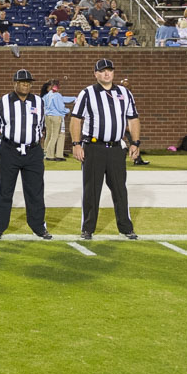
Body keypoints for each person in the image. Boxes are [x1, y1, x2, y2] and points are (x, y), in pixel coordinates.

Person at [69, 58, 140, 240]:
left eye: (109, 70)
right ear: (96, 74)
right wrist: (76, 144)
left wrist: (135, 142)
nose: (107, 73)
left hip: (116, 148)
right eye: (102, 71)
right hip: (94, 147)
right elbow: (76, 119)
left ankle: (126, 227)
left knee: (119, 189)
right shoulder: (87, 93)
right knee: (92, 189)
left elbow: (133, 119)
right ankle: (88, 228)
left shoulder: (124, 93)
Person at [0, 69, 51, 239]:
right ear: (14, 83)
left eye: (28, 82)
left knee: (35, 190)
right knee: (3, 189)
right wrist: (11, 141)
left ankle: (38, 226)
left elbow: (41, 126)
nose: (26, 85)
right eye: (22, 82)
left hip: (33, 151)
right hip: (10, 150)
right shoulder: (2, 102)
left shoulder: (39, 102)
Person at [41, 79, 74, 161]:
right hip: (56, 116)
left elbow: (61, 99)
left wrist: (73, 98)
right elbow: (60, 107)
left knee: (49, 134)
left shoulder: (47, 95)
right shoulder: (57, 95)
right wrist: (67, 111)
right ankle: (50, 155)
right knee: (55, 135)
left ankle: (46, 151)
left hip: (47, 116)